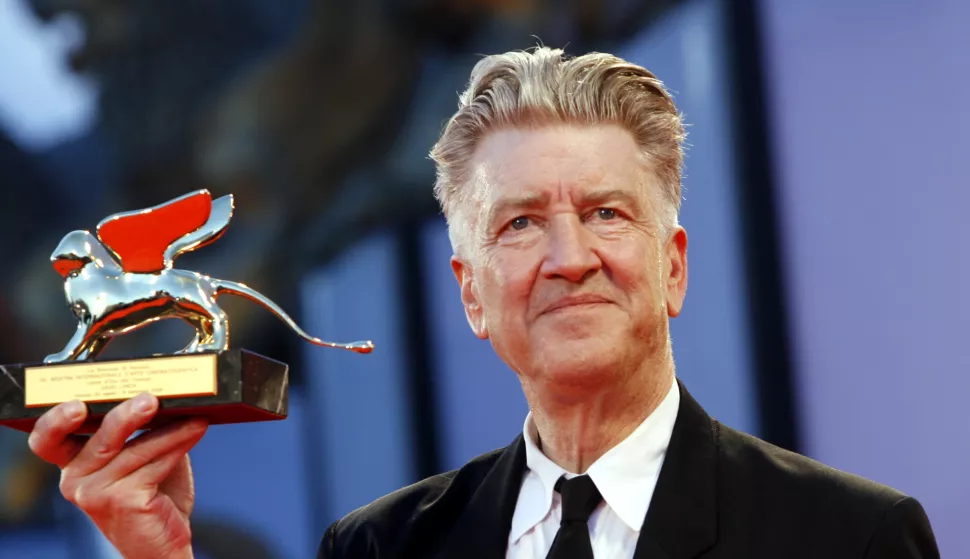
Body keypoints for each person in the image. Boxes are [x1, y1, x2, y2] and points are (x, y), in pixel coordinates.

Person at [26, 47, 939, 559]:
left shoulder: (850, 540)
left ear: (673, 267)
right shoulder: (380, 550)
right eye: (520, 225)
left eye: (605, 213)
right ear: (469, 293)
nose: (568, 258)